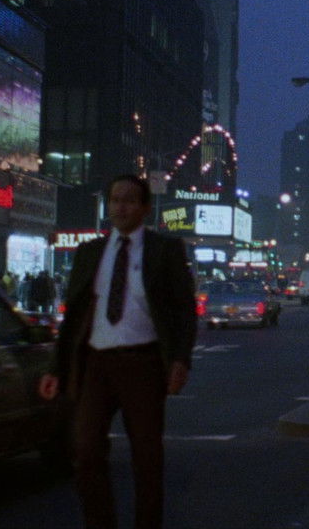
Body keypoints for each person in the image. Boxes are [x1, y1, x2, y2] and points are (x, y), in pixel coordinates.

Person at [38, 174, 197, 529]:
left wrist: (180, 359)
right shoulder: (90, 253)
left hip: (143, 363)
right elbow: (75, 316)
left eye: (129, 200)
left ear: (144, 207)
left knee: (147, 457)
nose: (120, 207)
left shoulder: (164, 250)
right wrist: (55, 368)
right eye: (115, 200)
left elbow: (184, 311)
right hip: (96, 363)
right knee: (85, 450)